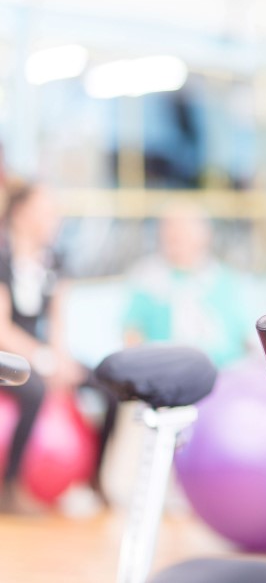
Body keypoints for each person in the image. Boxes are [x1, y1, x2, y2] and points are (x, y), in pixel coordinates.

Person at [0, 182, 116, 513]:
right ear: (21, 214)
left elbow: (57, 320)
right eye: (46, 212)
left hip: (39, 353)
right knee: (33, 391)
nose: (55, 220)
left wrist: (60, 360)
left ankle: (94, 478)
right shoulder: (2, 257)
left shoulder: (55, 260)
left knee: (108, 387)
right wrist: (43, 360)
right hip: (7, 356)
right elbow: (2, 328)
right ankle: (10, 486)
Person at [122, 201, 250, 369]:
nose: (176, 233)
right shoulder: (147, 279)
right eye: (169, 226)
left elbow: (247, 337)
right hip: (168, 373)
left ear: (205, 234)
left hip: (225, 372)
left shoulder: (225, 279)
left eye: (185, 227)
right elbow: (132, 335)